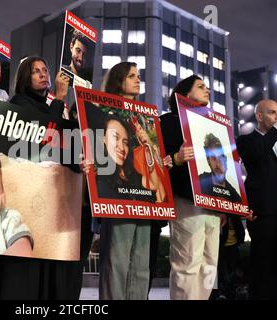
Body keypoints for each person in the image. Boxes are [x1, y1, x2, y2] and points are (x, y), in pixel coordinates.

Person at [0, 56, 91, 300]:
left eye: (46, 70)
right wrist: (58, 98)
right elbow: (43, 137)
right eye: (36, 71)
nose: (44, 74)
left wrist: (79, 163)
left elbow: (62, 148)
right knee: (22, 268)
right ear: (26, 76)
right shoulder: (18, 103)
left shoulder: (54, 107)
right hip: (25, 200)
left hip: (51, 204)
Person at [85, 62, 170, 300]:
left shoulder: (144, 117)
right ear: (118, 79)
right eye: (131, 75)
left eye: (139, 75)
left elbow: (147, 161)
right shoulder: (101, 108)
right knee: (117, 262)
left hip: (144, 200)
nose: (138, 79)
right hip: (117, 200)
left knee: (141, 267)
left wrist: (162, 162)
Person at [160, 75, 223, 300]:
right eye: (200, 87)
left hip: (212, 202)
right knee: (187, 261)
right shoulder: (169, 121)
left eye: (207, 87)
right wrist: (176, 157)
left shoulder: (213, 126)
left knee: (209, 265)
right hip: (187, 198)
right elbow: (162, 160)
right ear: (184, 95)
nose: (207, 90)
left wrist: (224, 203)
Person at [236, 99, 277, 299]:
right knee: (263, 262)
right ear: (259, 116)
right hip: (263, 211)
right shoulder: (247, 140)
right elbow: (257, 153)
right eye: (272, 113)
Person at [96, 114, 156, 203]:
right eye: (115, 138)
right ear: (103, 139)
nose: (122, 148)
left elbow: (154, 185)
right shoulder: (101, 180)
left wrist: (148, 150)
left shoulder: (131, 173)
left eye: (125, 143)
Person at [199, 133, 241, 202]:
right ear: (208, 161)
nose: (218, 164)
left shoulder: (236, 198)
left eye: (220, 158)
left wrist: (246, 213)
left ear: (225, 161)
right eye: (213, 158)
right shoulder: (199, 182)